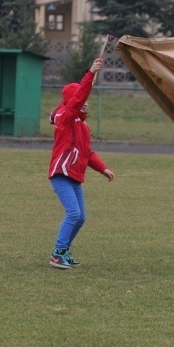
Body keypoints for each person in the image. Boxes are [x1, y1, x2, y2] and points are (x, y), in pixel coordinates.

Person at [48, 57, 115, 269]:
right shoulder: (66, 117)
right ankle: (57, 254)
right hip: (61, 174)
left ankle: (64, 251)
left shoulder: (82, 125)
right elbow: (78, 99)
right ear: (73, 100)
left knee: (81, 217)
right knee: (74, 214)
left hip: (75, 176)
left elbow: (87, 153)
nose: (87, 102)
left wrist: (103, 169)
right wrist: (91, 72)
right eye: (82, 99)